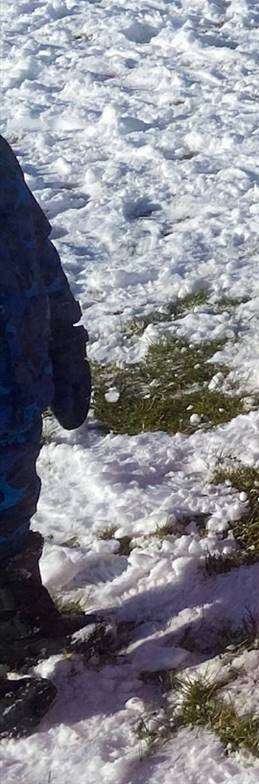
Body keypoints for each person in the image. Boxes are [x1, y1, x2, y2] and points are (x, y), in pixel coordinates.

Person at [0, 135, 90, 738]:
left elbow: (34, 242)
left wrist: (64, 335)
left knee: (11, 495)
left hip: (15, 370)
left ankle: (14, 616)